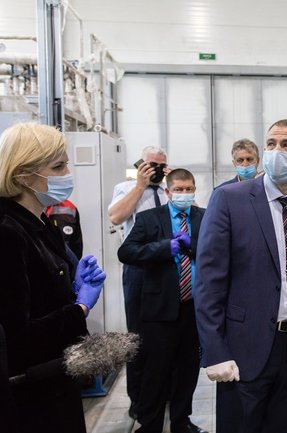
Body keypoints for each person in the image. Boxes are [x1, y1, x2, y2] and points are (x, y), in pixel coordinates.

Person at [194, 119, 287, 433]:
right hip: (244, 347)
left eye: (286, 145)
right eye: (271, 144)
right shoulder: (229, 199)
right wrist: (215, 350)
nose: (277, 151)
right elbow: (209, 282)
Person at [0, 122, 106, 433]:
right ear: (23, 176)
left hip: (56, 380)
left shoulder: (41, 224)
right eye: (58, 167)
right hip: (32, 395)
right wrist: (79, 308)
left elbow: (40, 293)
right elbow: (16, 336)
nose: (67, 174)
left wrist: (71, 287)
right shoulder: (7, 232)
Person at [118, 168, 207, 433]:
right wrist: (162, 248)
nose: (184, 194)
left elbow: (216, 252)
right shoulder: (149, 218)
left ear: (194, 190)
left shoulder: (204, 217)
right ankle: (150, 425)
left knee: (188, 369)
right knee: (155, 371)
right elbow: (126, 252)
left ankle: (181, 421)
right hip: (159, 309)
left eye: (188, 189)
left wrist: (191, 245)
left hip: (193, 308)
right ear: (168, 192)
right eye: (178, 189)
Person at [108, 145, 170, 418]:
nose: (156, 169)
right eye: (151, 164)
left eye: (161, 165)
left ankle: (165, 393)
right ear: (140, 165)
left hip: (167, 266)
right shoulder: (126, 188)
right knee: (138, 336)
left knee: (167, 334)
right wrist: (140, 186)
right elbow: (116, 216)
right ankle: (139, 400)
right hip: (139, 269)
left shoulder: (168, 191)